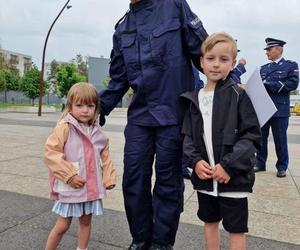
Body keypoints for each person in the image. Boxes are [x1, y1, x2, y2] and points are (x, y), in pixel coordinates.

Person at [99, 0, 208, 249]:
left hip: (174, 112)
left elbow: (204, 51)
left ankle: (161, 243)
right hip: (140, 117)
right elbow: (118, 80)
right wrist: (94, 110)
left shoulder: (174, 6)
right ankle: (140, 240)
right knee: (133, 179)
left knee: (168, 182)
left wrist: (230, 85)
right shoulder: (123, 27)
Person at [181, 32, 261, 250]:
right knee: (209, 222)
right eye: (210, 59)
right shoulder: (193, 98)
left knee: (236, 229)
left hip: (232, 178)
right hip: (205, 178)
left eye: (223, 60)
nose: (216, 65)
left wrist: (228, 165)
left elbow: (251, 135)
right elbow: (187, 137)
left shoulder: (239, 95)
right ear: (201, 61)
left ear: (233, 63)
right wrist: (195, 162)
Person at [44, 82, 116, 250]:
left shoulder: (97, 132)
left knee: (86, 222)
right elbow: (51, 153)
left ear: (96, 107)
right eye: (79, 105)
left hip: (89, 188)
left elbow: (105, 157)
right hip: (71, 186)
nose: (85, 110)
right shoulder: (65, 128)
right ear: (70, 106)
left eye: (90, 105)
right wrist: (69, 175)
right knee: (62, 225)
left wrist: (108, 177)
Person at [255, 37, 299, 177]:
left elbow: (292, 84)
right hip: (263, 108)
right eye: (266, 50)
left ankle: (281, 166)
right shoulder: (263, 68)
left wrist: (271, 85)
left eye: (269, 49)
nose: (267, 52)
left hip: (280, 109)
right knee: (261, 138)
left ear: (279, 49)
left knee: (280, 138)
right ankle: (260, 163)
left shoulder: (291, 66)